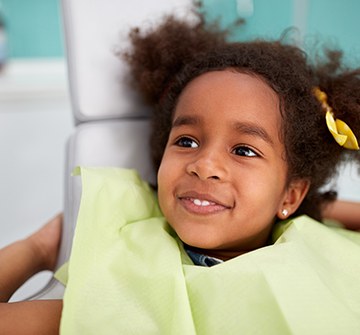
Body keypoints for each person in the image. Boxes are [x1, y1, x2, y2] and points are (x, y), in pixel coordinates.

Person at [1, 6, 360, 334]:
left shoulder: (322, 253)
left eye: (244, 150)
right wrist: (38, 248)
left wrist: (316, 207)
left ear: (292, 194)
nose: (204, 166)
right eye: (187, 141)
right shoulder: (122, 284)